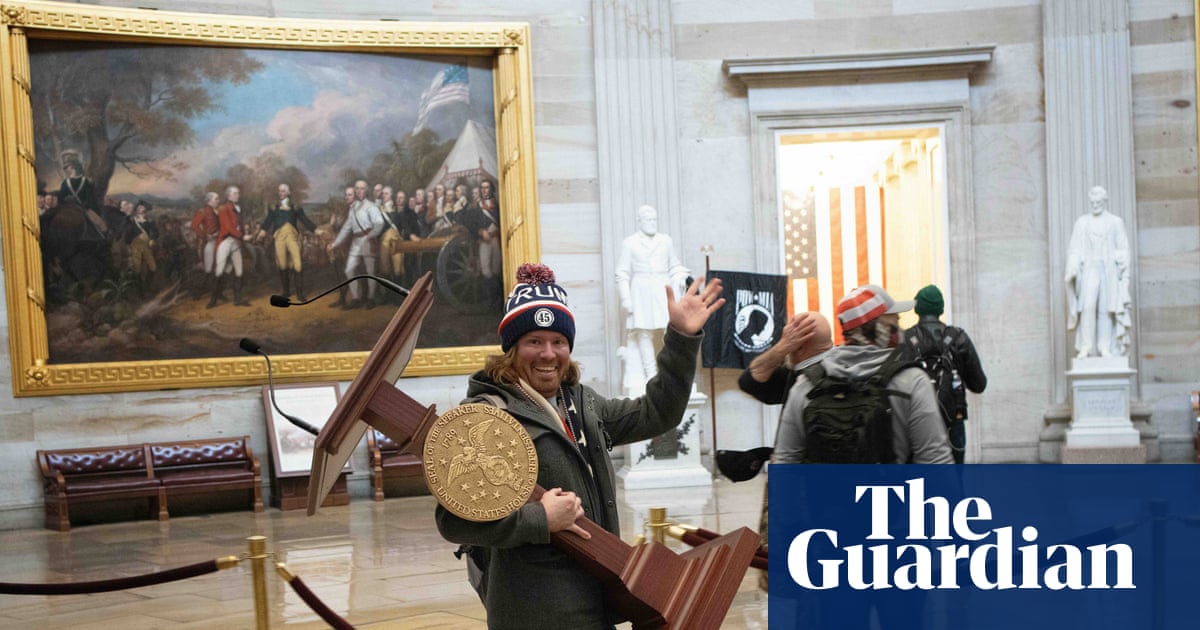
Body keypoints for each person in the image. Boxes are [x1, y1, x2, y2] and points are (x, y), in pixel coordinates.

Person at [435, 262, 724, 630]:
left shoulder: (582, 404)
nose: (548, 353)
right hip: (533, 613)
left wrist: (681, 339)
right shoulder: (486, 417)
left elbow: (658, 413)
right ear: (511, 348)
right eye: (533, 341)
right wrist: (540, 519)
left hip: (595, 600)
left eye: (558, 341)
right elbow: (453, 522)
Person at [775, 284, 952, 465]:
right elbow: (935, 461)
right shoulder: (912, 382)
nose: (900, 330)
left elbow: (785, 459)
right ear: (879, 330)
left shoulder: (807, 385)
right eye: (895, 323)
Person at [735, 311, 833, 593]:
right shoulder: (804, 374)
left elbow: (750, 379)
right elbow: (752, 379)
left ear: (799, 344)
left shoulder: (807, 379)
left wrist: (782, 347)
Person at [900, 285, 987, 464]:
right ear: (940, 308)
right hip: (953, 421)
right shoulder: (958, 338)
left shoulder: (906, 340)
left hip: (915, 422)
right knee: (953, 480)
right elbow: (979, 384)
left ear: (917, 308)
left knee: (916, 483)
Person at [615, 204, 690, 394]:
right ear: (639, 221)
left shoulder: (666, 241)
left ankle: (669, 371)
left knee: (669, 330)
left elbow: (674, 265)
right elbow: (622, 273)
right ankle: (650, 374)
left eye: (654, 219)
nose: (652, 223)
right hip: (640, 289)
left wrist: (681, 276)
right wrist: (626, 299)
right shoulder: (630, 243)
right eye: (648, 220)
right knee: (643, 332)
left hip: (662, 287)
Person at [1065, 185, 1132, 359]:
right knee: (1087, 307)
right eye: (1093, 202)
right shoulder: (1082, 222)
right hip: (1089, 269)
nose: (1095, 205)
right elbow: (1074, 249)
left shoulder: (1115, 222)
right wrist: (1072, 265)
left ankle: (1104, 347)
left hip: (1108, 269)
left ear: (1104, 201)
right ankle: (1086, 346)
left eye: (1098, 202)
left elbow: (1124, 247)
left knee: (1105, 309)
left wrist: (1119, 259)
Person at [328, 179, 385, 309]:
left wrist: (370, 236)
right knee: (349, 270)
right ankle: (355, 298)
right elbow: (346, 228)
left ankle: (370, 298)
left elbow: (379, 224)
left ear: (366, 190)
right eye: (357, 188)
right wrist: (335, 244)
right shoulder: (353, 209)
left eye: (362, 188)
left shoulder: (371, 206)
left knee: (370, 272)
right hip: (356, 242)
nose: (359, 191)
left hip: (368, 240)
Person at [261, 183, 317, 301]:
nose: (280, 193)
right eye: (279, 191)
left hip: (292, 237)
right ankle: (286, 292)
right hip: (279, 238)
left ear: (288, 193)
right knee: (282, 264)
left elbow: (305, 220)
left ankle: (300, 293)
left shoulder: (296, 207)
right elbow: (268, 221)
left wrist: (315, 229)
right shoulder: (273, 207)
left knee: (297, 264)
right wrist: (262, 231)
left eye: (283, 191)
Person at [210, 185, 250, 308]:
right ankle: (213, 300)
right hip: (226, 241)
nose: (237, 195)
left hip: (236, 242)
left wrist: (243, 235)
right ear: (228, 195)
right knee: (220, 270)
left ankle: (238, 299)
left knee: (239, 270)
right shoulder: (223, 208)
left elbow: (239, 226)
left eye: (238, 193)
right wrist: (242, 236)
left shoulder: (238, 208)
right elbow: (227, 227)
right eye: (234, 193)